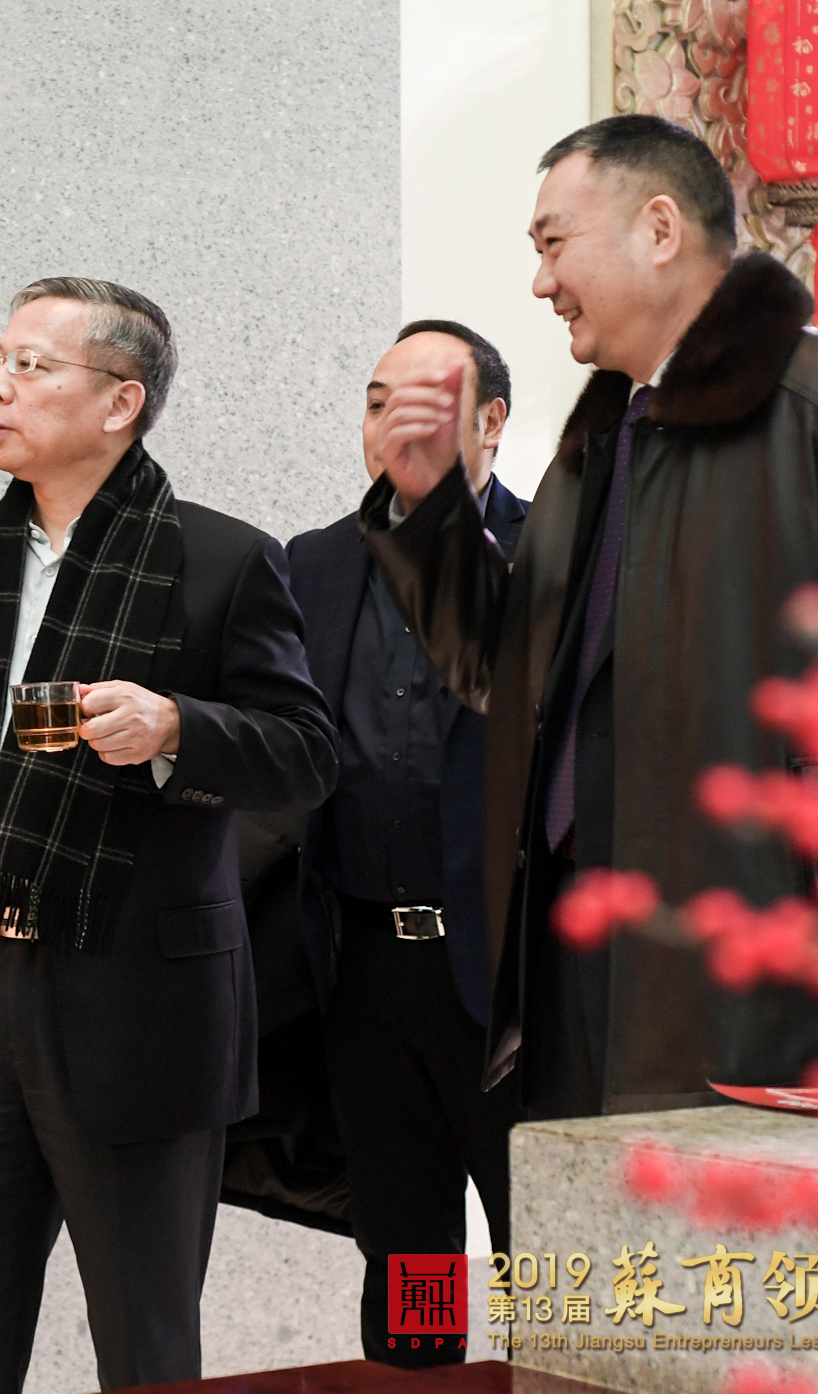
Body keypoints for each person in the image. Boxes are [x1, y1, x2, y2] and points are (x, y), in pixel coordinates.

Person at [360, 115, 818, 1121]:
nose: (540, 283)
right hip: (575, 952)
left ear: (659, 228)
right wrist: (430, 514)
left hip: (766, 964)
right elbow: (507, 668)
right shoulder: (602, 440)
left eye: (553, 244)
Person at [0, 277, 336, 1394]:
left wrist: (176, 727)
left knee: (145, 1345)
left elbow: (305, 753)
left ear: (120, 401)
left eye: (31, 366)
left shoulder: (222, 560)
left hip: (138, 1000)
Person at [287, 319, 528, 1367]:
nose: (393, 425)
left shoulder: (550, 553)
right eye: (378, 403)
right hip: (367, 970)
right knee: (406, 1250)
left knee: (542, 1243)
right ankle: (419, 1382)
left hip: (508, 976)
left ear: (490, 421)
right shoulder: (313, 563)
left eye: (425, 405)